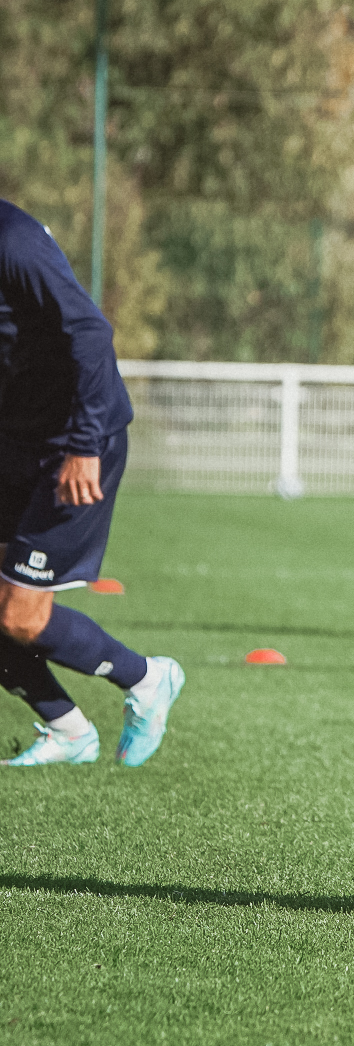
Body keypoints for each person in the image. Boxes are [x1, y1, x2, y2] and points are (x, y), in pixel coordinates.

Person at [0, 200, 183, 767]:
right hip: (14, 441)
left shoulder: (13, 241)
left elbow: (91, 333)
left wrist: (83, 445)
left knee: (19, 615)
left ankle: (148, 678)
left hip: (74, 445)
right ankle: (67, 729)